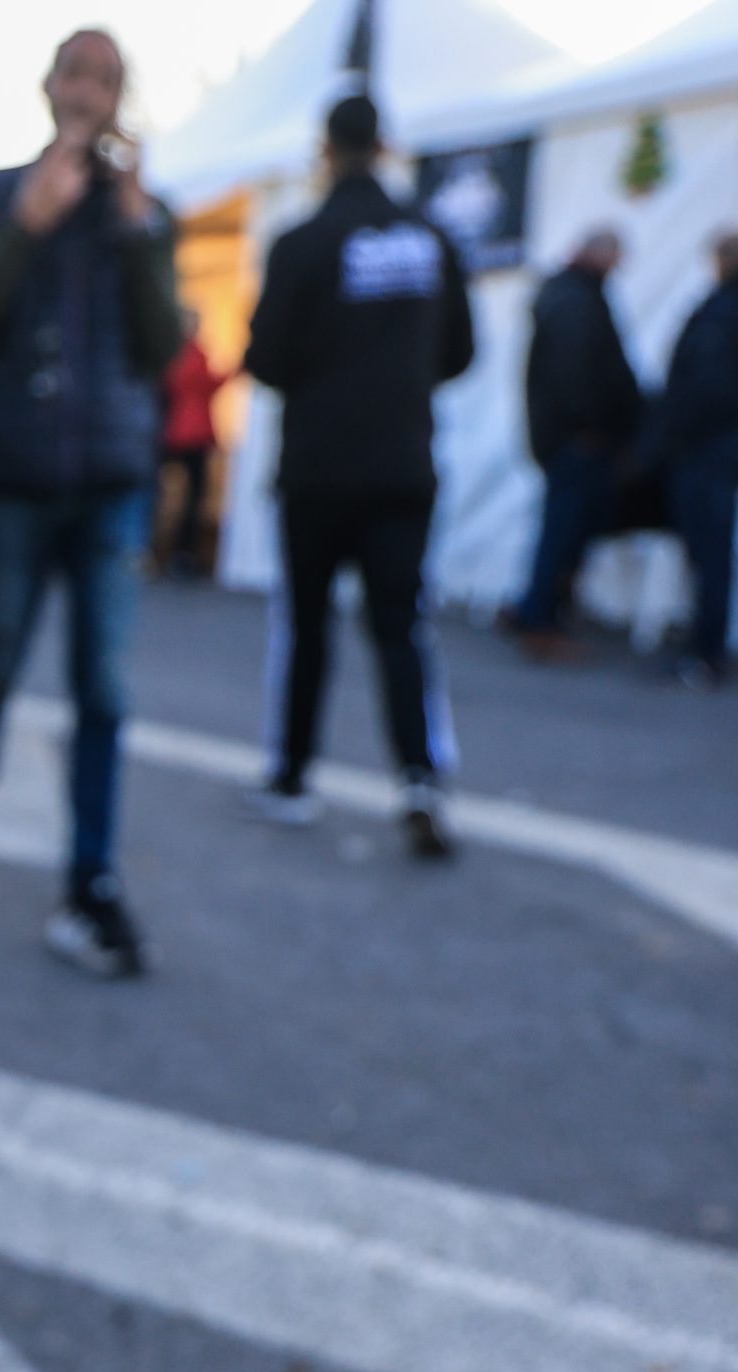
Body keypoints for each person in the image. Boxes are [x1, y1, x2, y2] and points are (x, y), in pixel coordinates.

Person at [0, 26, 181, 978]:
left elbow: (162, 347)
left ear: (121, 98)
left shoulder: (143, 210)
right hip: (15, 478)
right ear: (49, 88)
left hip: (112, 480)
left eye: (107, 79)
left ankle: (92, 880)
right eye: (77, 73)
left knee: (105, 688)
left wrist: (135, 226)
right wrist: (28, 224)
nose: (89, 92)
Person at [242, 93, 474, 860]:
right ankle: (418, 778)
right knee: (401, 626)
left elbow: (266, 359)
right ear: (386, 145)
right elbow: (461, 351)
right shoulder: (432, 237)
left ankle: (292, 777)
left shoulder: (303, 240)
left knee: (307, 627)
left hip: (318, 466)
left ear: (325, 149)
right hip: (403, 463)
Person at [508, 228, 640, 657]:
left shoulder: (568, 295)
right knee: (563, 530)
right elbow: (576, 372)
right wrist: (594, 426)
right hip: (577, 439)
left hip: (566, 435)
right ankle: (541, 617)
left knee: (563, 528)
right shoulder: (576, 300)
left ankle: (538, 609)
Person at [656, 230, 738, 686]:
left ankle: (709, 647)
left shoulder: (733, 310)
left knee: (712, 549)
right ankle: (705, 641)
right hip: (720, 443)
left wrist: (681, 428)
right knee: (708, 549)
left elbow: (712, 382)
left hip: (712, 445)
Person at [156, 309, 228, 575]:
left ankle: (177, 554)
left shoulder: (181, 351)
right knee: (189, 497)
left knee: (187, 497)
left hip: (180, 432)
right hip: (187, 433)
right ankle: (176, 553)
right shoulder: (186, 352)